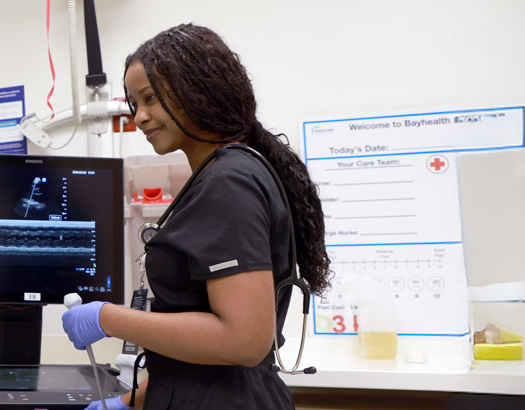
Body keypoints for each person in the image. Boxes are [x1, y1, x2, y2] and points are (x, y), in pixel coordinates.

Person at [60, 24, 332, 410]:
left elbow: (244, 340)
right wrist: (129, 402)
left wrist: (108, 318)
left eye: (150, 98)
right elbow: (197, 357)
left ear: (196, 90)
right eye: (135, 104)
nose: (140, 117)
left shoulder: (228, 182)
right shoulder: (218, 176)